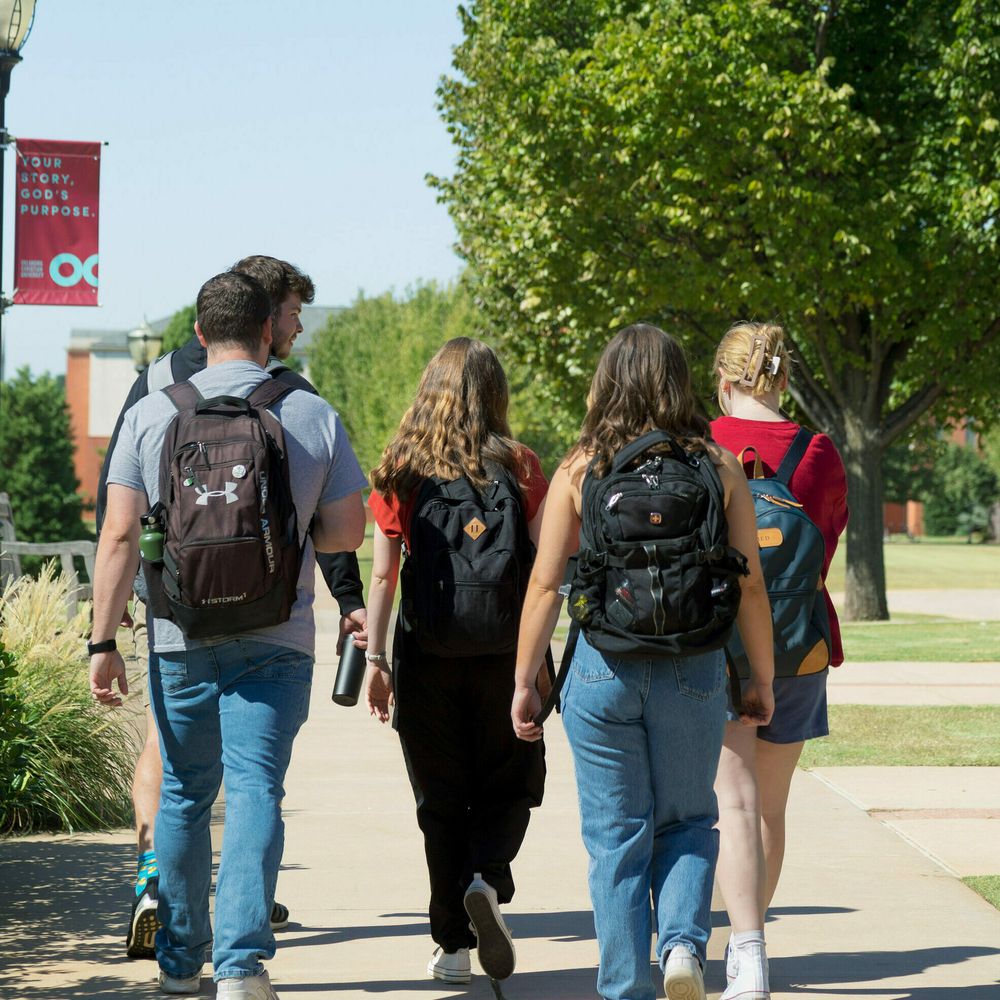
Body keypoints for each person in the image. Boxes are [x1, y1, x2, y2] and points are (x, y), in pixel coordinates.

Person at [90, 270, 367, 999]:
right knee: (255, 792)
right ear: (268, 329)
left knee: (183, 791)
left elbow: (118, 534)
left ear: (200, 333)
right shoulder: (310, 413)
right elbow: (345, 531)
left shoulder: (153, 414)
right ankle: (242, 967)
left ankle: (181, 964)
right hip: (278, 635)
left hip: (182, 634)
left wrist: (102, 642)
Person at [511, 324, 776, 1000]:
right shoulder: (717, 465)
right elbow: (748, 582)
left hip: (602, 667)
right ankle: (683, 947)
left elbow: (544, 584)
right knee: (687, 818)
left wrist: (525, 681)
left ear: (606, 383)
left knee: (614, 836)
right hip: (692, 665)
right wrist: (762, 678)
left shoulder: (581, 466)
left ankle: (624, 986)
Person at [363, 337, 548, 985]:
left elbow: (384, 579)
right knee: (510, 782)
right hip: (506, 653)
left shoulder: (400, 468)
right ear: (495, 394)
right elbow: (542, 573)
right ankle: (487, 879)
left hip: (426, 654)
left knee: (439, 801)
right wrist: (540, 667)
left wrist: (376, 664)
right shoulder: (522, 467)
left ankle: (451, 947)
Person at [711, 322, 849, 1000]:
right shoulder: (818, 451)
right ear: (785, 380)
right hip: (801, 645)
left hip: (721, 646)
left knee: (727, 805)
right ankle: (752, 952)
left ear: (724, 381)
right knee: (770, 808)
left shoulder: (703, 445)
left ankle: (738, 948)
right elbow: (823, 546)